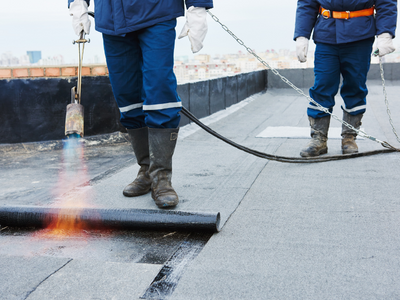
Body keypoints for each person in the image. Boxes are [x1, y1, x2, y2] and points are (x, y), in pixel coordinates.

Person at [68, 0, 213, 208]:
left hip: (156, 11)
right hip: (112, 19)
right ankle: (146, 170)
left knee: (160, 90)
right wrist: (77, 4)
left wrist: (197, 7)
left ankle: (161, 177)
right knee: (127, 96)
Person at [294, 0, 397, 157]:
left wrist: (385, 33)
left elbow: (386, 2)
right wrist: (302, 35)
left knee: (355, 87)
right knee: (323, 85)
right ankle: (318, 139)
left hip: (360, 35)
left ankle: (349, 137)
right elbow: (307, 3)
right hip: (327, 35)